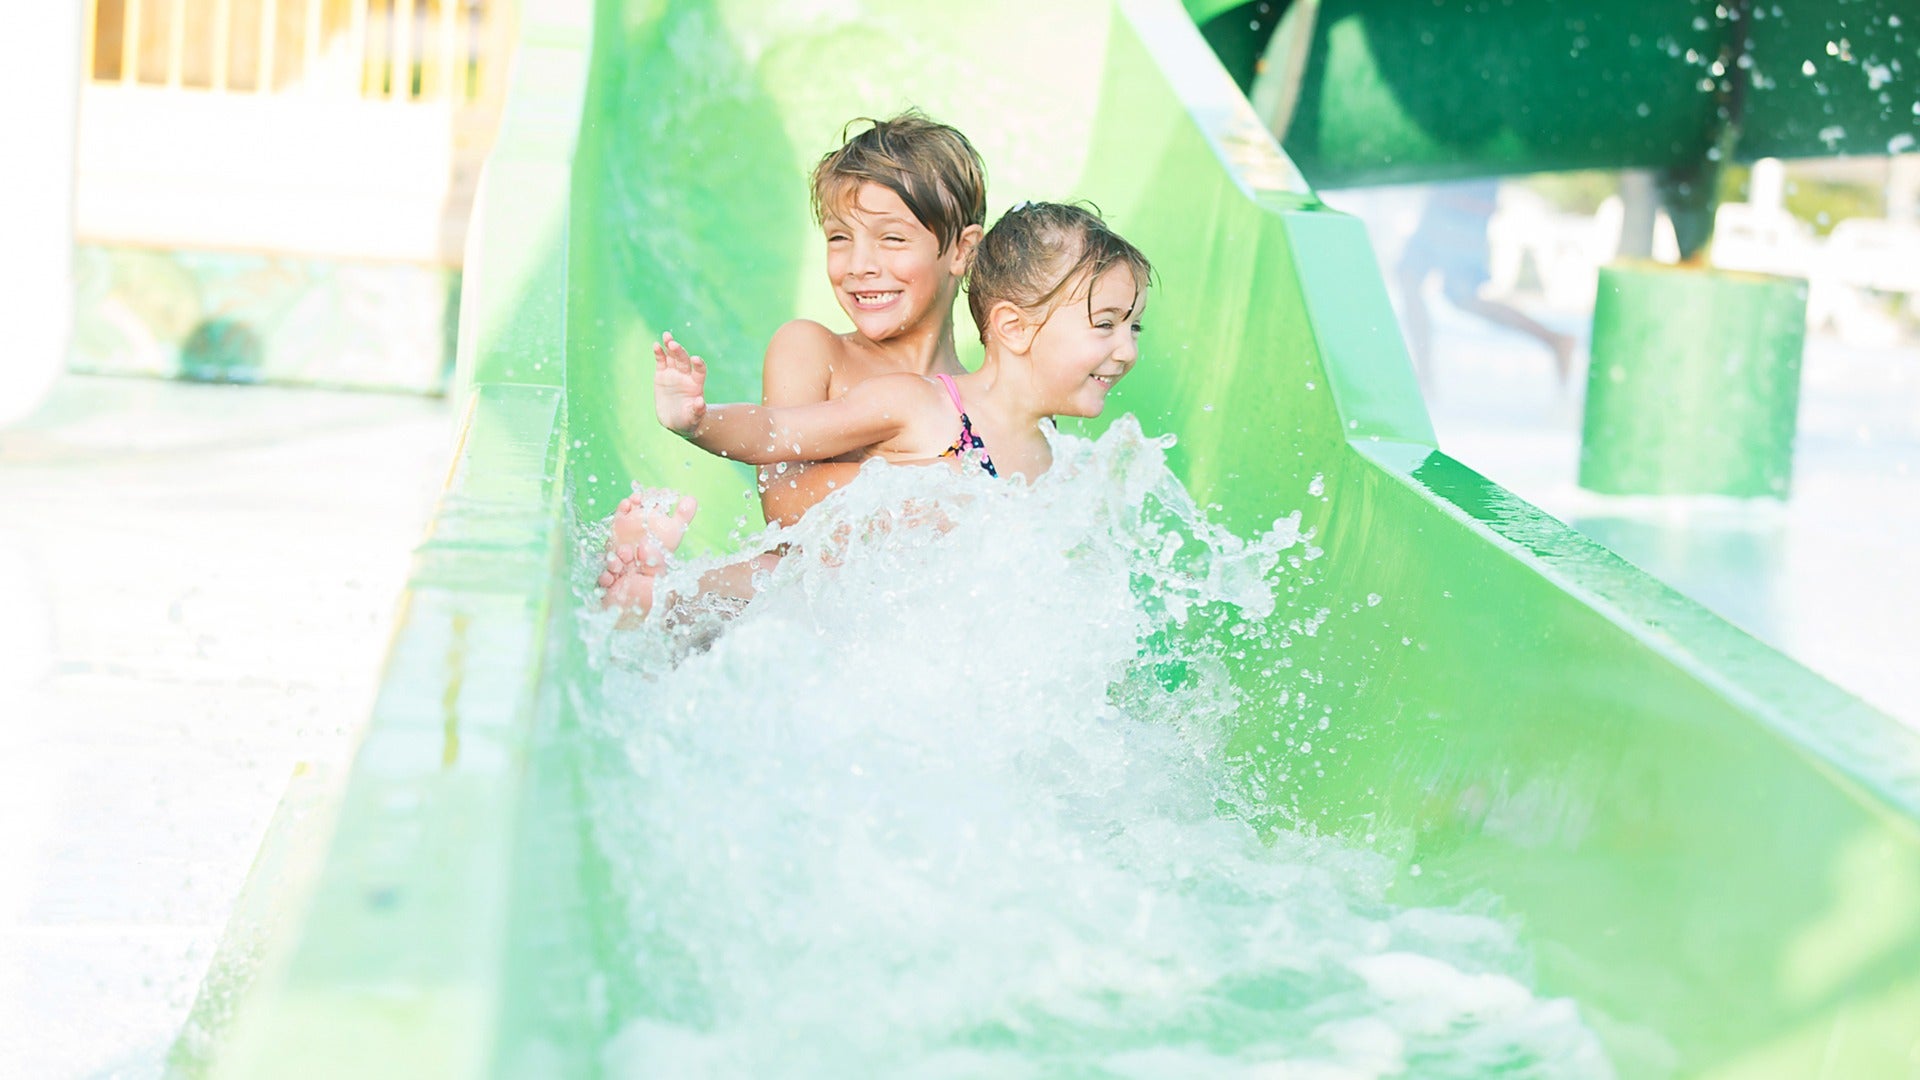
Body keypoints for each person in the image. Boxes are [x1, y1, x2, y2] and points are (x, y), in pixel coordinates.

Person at [629, 202, 1152, 617]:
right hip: (821, 623)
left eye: (1134, 327)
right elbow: (778, 430)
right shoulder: (926, 405)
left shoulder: (1056, 453)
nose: (1126, 350)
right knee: (792, 583)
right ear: (1013, 327)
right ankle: (660, 594)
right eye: (1105, 324)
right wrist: (697, 420)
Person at [598, 110, 988, 611]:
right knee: (777, 575)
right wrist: (934, 480)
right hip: (805, 609)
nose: (860, 265)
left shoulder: (982, 397)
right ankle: (652, 598)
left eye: (891, 238)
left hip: (908, 629)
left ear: (961, 250)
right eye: (839, 237)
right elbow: (783, 508)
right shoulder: (816, 352)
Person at [1394, 178, 1576, 389]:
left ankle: (1554, 339)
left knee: (1460, 296)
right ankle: (1423, 375)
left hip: (1461, 200)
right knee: (1415, 280)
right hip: (1451, 196)